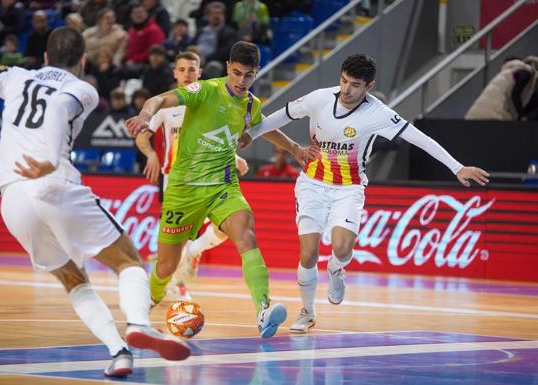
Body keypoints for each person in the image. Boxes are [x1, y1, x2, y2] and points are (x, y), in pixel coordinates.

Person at [0, 26, 190, 377]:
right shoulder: (82, 88)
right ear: (82, 60)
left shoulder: (13, 77)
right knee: (130, 262)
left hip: (11, 198)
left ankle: (119, 352)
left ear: (45, 57)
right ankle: (139, 324)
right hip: (52, 182)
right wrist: (50, 158)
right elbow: (59, 106)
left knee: (73, 280)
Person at [240, 53, 489, 333]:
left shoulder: (379, 114)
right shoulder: (320, 98)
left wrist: (456, 168)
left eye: (355, 85)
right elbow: (280, 116)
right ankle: (307, 312)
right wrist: (252, 132)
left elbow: (419, 138)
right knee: (308, 253)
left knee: (342, 248)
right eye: (344, 81)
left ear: (368, 86)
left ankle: (336, 269)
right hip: (312, 183)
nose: (346, 89)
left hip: (348, 188)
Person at [126, 41, 318, 338]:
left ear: (256, 73)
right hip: (184, 189)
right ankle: (148, 300)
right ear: (228, 67)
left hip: (223, 186)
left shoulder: (251, 104)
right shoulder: (203, 90)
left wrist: (294, 149)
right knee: (165, 267)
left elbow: (263, 127)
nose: (242, 81)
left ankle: (263, 309)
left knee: (246, 233)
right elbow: (160, 100)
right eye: (237, 73)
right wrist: (144, 114)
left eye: (249, 75)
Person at [134, 51, 248, 301]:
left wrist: (235, 157)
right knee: (176, 242)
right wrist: (150, 153)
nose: (187, 74)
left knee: (224, 230)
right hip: (177, 181)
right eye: (182, 69)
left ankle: (192, 253)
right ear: (175, 73)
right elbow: (142, 133)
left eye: (192, 69)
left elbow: (220, 138)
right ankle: (177, 282)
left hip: (213, 177)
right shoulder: (166, 105)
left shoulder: (210, 100)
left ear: (200, 72)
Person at [465, 55, 538, 121]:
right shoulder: (526, 72)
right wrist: (522, 115)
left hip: (478, 112)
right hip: (492, 114)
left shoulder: (509, 71)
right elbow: (515, 94)